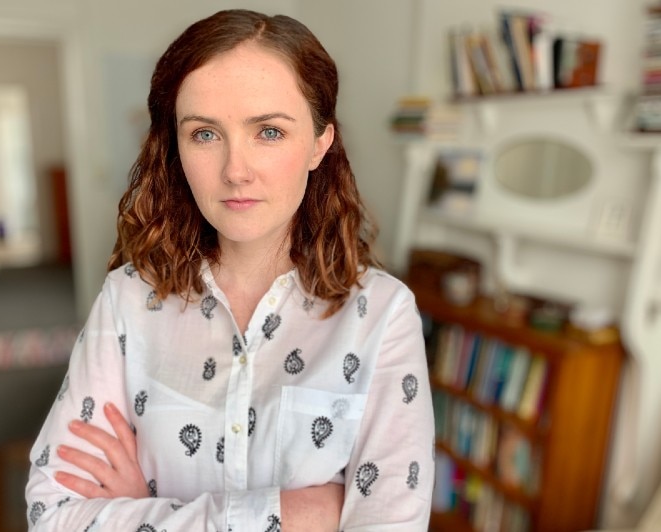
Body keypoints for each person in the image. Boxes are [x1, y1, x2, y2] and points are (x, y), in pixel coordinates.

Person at [25, 8, 434, 531]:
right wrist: (301, 513)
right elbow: (52, 514)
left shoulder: (382, 314)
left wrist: (142, 512)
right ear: (176, 146)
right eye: (204, 134)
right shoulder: (127, 299)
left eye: (268, 131)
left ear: (319, 143)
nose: (235, 170)